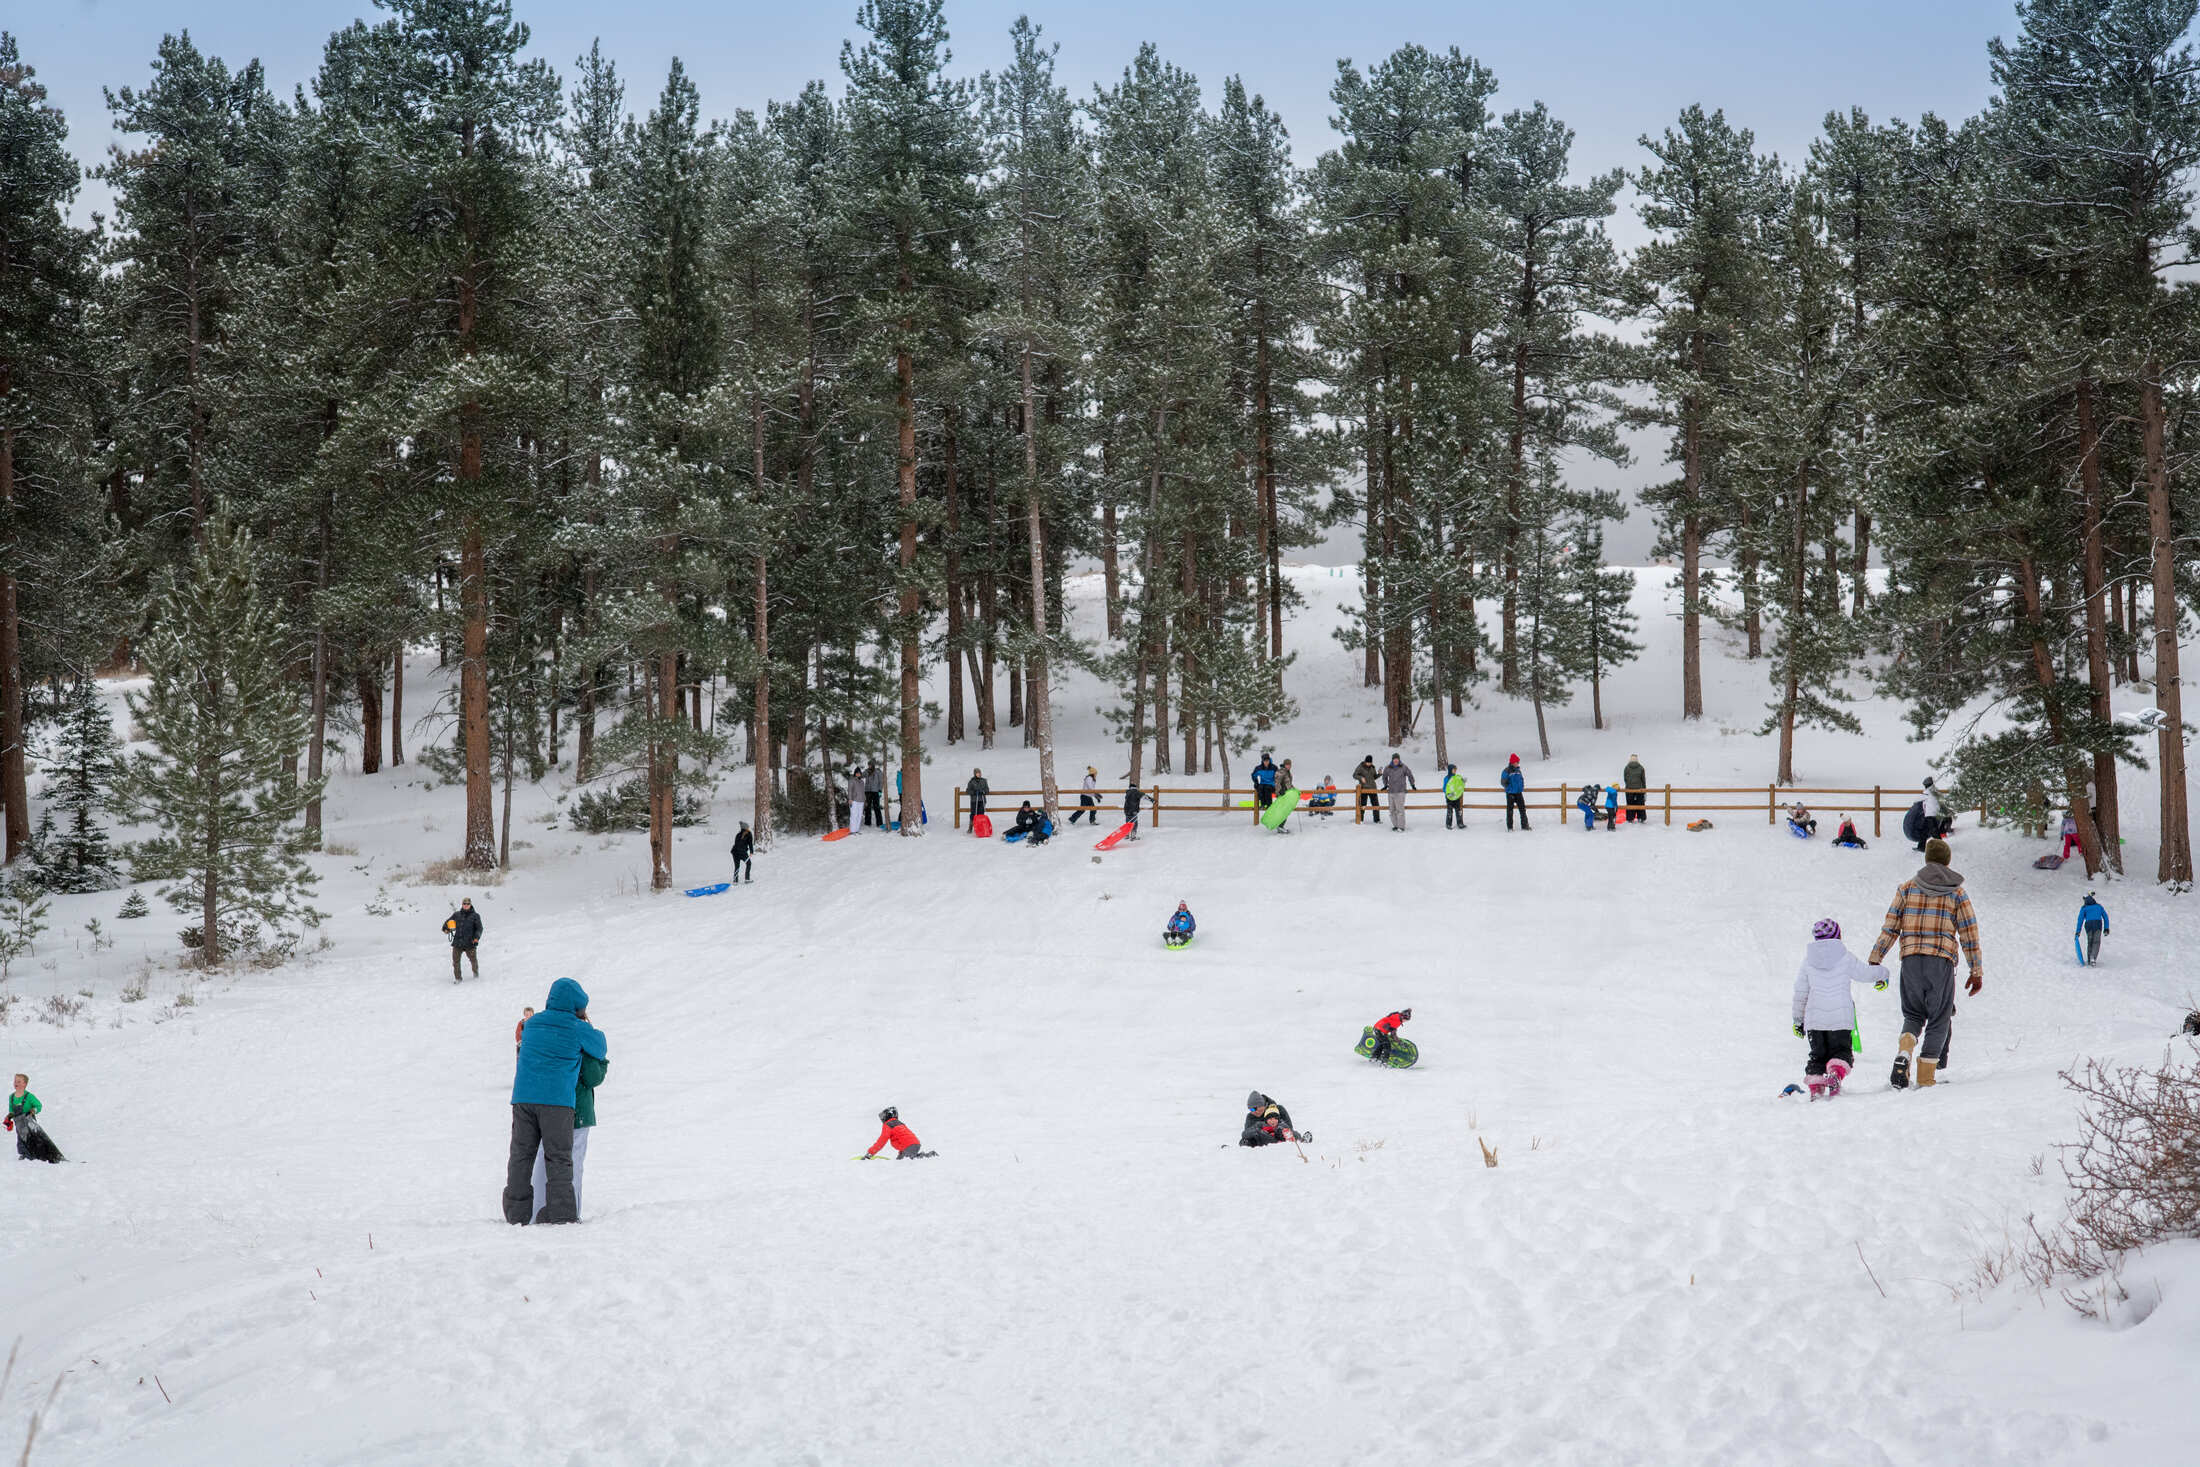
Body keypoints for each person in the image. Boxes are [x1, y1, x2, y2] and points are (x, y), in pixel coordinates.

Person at [1866, 838, 1985, 1090]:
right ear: (1948, 860)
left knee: (1913, 1014)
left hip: (1910, 961)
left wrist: (1876, 958)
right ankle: (1925, 1077)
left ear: (1927, 859)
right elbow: (1969, 933)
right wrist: (1976, 971)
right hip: (1940, 962)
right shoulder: (1957, 893)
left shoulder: (1906, 888)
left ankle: (1905, 1049)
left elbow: (1890, 927)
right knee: (1939, 1018)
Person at [504, 978, 607, 1225]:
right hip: (556, 1101)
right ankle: (562, 1216)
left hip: (523, 1099)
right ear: (576, 1005)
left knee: (521, 1155)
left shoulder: (533, 1023)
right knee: (559, 1157)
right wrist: (588, 1024)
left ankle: (517, 1215)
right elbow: (600, 1047)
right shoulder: (575, 1026)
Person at [1791, 919, 1890, 1100]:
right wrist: (1883, 974)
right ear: (1838, 936)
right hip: (1841, 1019)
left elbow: (1800, 993)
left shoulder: (1807, 962)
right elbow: (1865, 973)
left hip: (1815, 1021)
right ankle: (1835, 1074)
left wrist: (1798, 1020)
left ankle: (1817, 1091)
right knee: (1842, 1052)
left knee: (1817, 1056)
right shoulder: (1845, 957)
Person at [532, 1019, 608, 1221]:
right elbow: (593, 1077)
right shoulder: (583, 1040)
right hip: (578, 1110)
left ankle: (536, 1208)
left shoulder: (551, 1036)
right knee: (573, 1160)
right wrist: (603, 1062)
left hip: (548, 1105)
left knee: (544, 1156)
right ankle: (571, 1210)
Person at [8, 1073, 63, 1163]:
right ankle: (24, 1153)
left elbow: (38, 1105)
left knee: (33, 1137)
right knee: (21, 1138)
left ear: (24, 1084)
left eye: (19, 1081)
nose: (16, 1083)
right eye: (15, 1081)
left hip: (29, 1120)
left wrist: (34, 1110)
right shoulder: (11, 1097)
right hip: (19, 1122)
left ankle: (37, 1154)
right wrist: (9, 1117)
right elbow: (11, 1109)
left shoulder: (29, 1096)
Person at [863, 1106, 933, 1159]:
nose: (882, 1119)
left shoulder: (888, 1124)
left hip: (908, 1147)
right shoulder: (899, 1123)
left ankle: (929, 1156)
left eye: (883, 1116)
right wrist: (900, 1154)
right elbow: (903, 1138)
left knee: (911, 1161)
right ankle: (925, 1156)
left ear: (887, 1116)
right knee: (901, 1163)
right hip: (914, 1144)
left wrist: (870, 1153)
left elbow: (882, 1140)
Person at [1239, 1092, 1306, 1148]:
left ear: (1263, 1105)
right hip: (1262, 1140)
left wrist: (1278, 1129)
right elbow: (1246, 1134)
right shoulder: (1251, 1116)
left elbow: (1289, 1128)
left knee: (1290, 1133)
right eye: (1251, 1109)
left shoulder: (1279, 1109)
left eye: (1256, 1108)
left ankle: (1303, 1140)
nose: (1255, 1111)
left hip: (1280, 1137)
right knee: (1244, 1141)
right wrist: (1258, 1129)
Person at [445, 898, 483, 983]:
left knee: (473, 960)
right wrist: (446, 929)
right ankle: (458, 978)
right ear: (462, 904)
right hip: (457, 943)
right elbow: (447, 923)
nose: (466, 905)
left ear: (470, 905)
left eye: (467, 904)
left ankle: (475, 973)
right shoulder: (456, 915)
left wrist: (476, 938)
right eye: (464, 903)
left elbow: (479, 928)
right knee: (456, 962)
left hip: (470, 943)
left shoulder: (475, 916)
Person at [1381, 753, 1415, 831]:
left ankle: (1401, 827)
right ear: (1392, 759)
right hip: (1391, 791)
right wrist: (1385, 785)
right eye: (1394, 759)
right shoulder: (1388, 767)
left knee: (1400, 810)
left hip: (1400, 791)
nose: (1395, 760)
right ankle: (1396, 825)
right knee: (1392, 810)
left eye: (1397, 759)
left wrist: (1412, 784)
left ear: (1399, 759)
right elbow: (1384, 776)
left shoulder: (1403, 767)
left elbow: (1410, 775)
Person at [2076, 892, 2110, 965]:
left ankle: (2089, 959)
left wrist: (2078, 931)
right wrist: (2106, 928)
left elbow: (2080, 920)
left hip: (2088, 925)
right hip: (2098, 924)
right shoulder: (2099, 906)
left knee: (2090, 941)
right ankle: (2093, 958)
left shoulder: (2084, 908)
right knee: (2096, 942)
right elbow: (2105, 917)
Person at [1502, 755, 1530, 831]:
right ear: (1513, 762)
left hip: (1518, 793)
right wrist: (1509, 789)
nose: (1518, 763)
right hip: (1510, 793)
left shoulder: (1518, 771)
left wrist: (1521, 787)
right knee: (1510, 811)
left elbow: (1521, 779)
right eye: (1517, 762)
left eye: (1518, 762)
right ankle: (1510, 827)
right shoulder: (1506, 771)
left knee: (1522, 809)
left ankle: (1525, 826)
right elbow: (1503, 782)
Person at [1353, 756, 1381, 827]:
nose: (1369, 764)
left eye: (1370, 762)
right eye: (1367, 762)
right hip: (1364, 789)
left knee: (1376, 805)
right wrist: (1361, 778)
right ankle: (1361, 819)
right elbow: (1354, 775)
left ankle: (1377, 820)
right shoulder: (1361, 767)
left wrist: (1379, 774)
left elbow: (1374, 777)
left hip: (1372, 788)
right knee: (1363, 805)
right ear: (1365, 761)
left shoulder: (1372, 767)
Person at [1624, 755, 1648, 824]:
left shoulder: (1626, 768)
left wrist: (1629, 784)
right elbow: (1643, 780)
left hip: (1629, 789)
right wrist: (1644, 789)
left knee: (1629, 803)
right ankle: (1641, 817)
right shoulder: (1641, 768)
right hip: (1639, 789)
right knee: (1640, 803)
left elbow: (1625, 778)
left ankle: (1630, 818)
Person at [1443, 765, 1466, 829]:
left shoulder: (1457, 777)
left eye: (1456, 769)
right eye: (1454, 769)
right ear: (1450, 770)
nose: (1455, 771)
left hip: (1456, 797)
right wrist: (1448, 793)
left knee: (1458, 810)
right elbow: (1444, 788)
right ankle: (1448, 824)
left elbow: (1460, 785)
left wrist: (1463, 781)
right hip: (1449, 797)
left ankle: (1460, 823)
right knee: (1450, 811)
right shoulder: (1446, 778)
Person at [862, 764, 885, 829]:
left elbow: (881, 781)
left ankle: (879, 822)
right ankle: (867, 822)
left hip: (875, 791)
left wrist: (880, 790)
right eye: (869, 765)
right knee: (867, 807)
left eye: (871, 765)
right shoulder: (867, 771)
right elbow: (861, 776)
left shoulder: (878, 772)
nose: (869, 766)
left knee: (876, 807)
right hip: (867, 791)